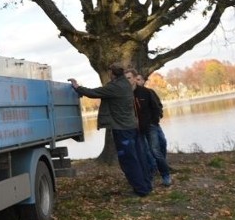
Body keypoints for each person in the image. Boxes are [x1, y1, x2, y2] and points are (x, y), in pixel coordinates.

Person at [69, 64, 152, 197]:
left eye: (109, 72)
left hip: (122, 129)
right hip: (131, 127)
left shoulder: (115, 87)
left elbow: (94, 93)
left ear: (112, 73)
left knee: (128, 160)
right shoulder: (125, 84)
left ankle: (141, 190)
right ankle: (146, 185)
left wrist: (77, 87)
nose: (108, 75)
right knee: (139, 157)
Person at [127, 69, 173, 187]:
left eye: (129, 78)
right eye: (125, 79)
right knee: (143, 153)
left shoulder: (146, 92)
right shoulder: (125, 95)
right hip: (135, 129)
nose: (128, 81)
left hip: (150, 126)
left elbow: (156, 108)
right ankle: (149, 176)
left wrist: (153, 121)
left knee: (155, 151)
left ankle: (165, 174)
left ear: (134, 78)